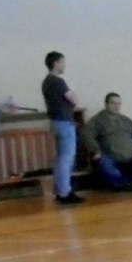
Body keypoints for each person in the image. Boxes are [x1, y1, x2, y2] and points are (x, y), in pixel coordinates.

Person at [85, 93, 132, 190]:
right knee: (102, 163)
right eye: (113, 103)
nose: (116, 106)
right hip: (111, 159)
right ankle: (124, 185)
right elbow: (87, 133)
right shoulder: (97, 120)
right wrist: (95, 150)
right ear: (106, 104)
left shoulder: (127, 120)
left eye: (118, 104)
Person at [41, 51, 83, 205]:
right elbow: (74, 99)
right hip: (65, 122)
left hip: (55, 122)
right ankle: (65, 192)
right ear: (56, 63)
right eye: (62, 62)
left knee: (60, 158)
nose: (65, 65)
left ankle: (60, 190)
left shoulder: (46, 82)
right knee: (67, 158)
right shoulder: (58, 81)